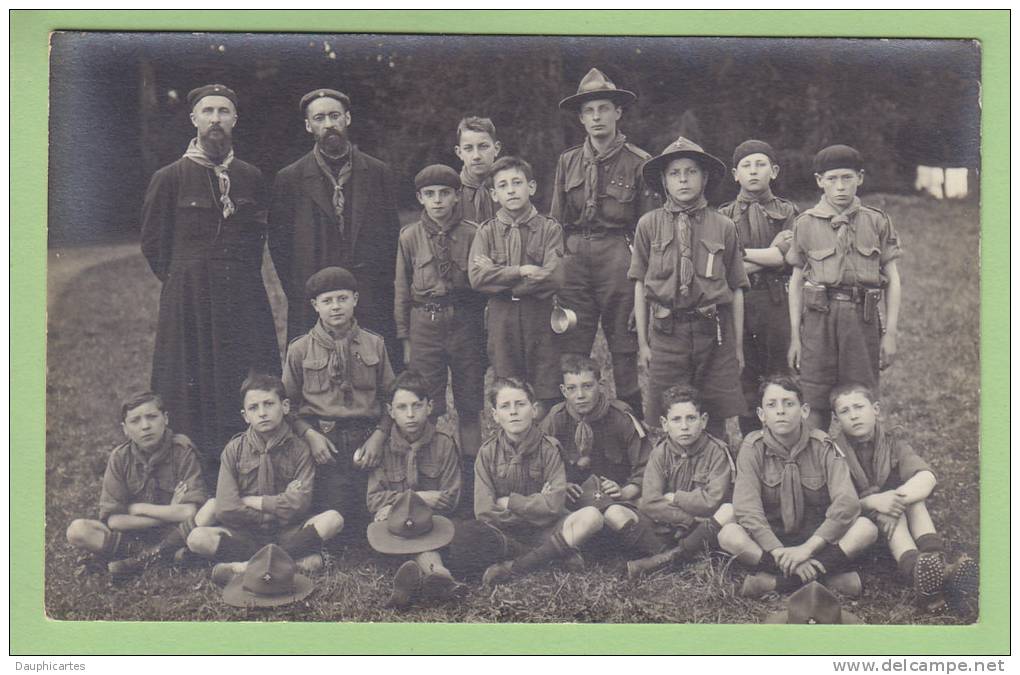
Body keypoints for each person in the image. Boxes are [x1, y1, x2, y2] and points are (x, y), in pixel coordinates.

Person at [140, 84, 280, 474]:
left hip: (242, 296)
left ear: (235, 119)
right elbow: (153, 243)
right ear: (194, 120)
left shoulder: (250, 177)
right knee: (189, 380)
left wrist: (235, 276)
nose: (215, 119)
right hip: (189, 298)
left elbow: (257, 238)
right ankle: (191, 468)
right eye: (208, 111)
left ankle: (248, 464)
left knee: (244, 373)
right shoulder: (169, 178)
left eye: (223, 111)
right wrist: (185, 279)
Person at [550, 68, 659, 418]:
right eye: (589, 111)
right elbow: (554, 223)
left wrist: (644, 287)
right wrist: (555, 272)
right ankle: (576, 426)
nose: (597, 117)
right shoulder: (567, 162)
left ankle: (631, 427)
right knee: (573, 345)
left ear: (618, 112)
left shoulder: (640, 163)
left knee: (624, 346)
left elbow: (650, 231)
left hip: (618, 257)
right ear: (581, 118)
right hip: (575, 257)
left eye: (604, 108)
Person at [268, 88, 402, 367]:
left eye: (334, 116)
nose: (328, 124)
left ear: (347, 119)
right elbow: (280, 245)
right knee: (315, 373)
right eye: (319, 118)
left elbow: (392, 236)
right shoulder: (289, 179)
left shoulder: (378, 173)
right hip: (313, 297)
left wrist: (379, 285)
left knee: (374, 369)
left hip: (370, 295)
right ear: (308, 125)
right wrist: (301, 290)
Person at [629, 136, 748, 450]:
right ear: (664, 182)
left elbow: (736, 288)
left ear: (705, 178)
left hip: (714, 333)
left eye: (691, 171)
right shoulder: (648, 225)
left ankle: (719, 475)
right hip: (667, 333)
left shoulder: (723, 226)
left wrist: (736, 345)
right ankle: (670, 477)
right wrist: (643, 343)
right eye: (674, 173)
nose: (683, 179)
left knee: (715, 413)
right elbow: (640, 286)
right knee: (668, 413)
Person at [718, 374, 877, 599]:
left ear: (804, 411)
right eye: (772, 405)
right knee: (729, 534)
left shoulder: (823, 445)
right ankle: (821, 577)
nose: (780, 411)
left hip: (818, 539)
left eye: (789, 403)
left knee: (866, 528)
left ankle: (775, 583)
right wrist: (777, 551)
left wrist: (808, 549)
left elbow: (847, 502)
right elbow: (746, 508)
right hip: (772, 541)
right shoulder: (752, 448)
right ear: (762, 415)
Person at [829, 383, 978, 614]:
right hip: (859, 529)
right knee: (894, 514)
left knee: (914, 501)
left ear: (875, 409)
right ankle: (922, 578)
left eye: (859, 407)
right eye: (845, 411)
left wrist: (893, 501)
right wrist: (875, 503)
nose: (854, 415)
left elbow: (927, 477)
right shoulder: (832, 453)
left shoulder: (892, 441)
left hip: (893, 521)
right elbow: (836, 505)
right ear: (836, 420)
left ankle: (934, 566)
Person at [185, 373, 344, 583]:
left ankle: (244, 568)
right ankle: (291, 565)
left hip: (288, 532)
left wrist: (254, 502)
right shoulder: (233, 450)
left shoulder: (300, 449)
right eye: (253, 408)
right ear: (245, 416)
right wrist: (270, 513)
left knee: (333, 519)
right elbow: (226, 507)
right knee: (196, 538)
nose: (262, 413)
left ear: (285, 406)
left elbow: (300, 503)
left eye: (268, 404)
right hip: (247, 534)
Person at [786, 144, 903, 429]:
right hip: (818, 321)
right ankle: (817, 468)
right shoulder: (805, 224)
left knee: (861, 398)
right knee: (815, 399)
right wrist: (795, 337)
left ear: (860, 178)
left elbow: (893, 278)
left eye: (847, 178)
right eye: (832, 179)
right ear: (819, 181)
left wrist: (890, 333)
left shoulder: (876, 221)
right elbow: (796, 282)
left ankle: (864, 466)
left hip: (860, 321)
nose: (840, 186)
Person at [445, 377, 602, 586]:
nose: (513, 412)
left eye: (520, 404)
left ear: (534, 409)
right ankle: (551, 555)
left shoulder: (549, 448)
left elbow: (554, 505)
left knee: (593, 517)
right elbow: (484, 510)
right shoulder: (487, 452)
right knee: (464, 536)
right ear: (495, 415)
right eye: (505, 406)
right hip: (507, 535)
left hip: (547, 530)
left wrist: (509, 502)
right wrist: (536, 505)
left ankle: (515, 567)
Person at [282, 266, 395, 529]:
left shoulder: (374, 344)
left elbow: (392, 398)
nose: (336, 307)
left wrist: (379, 436)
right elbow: (287, 405)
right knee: (337, 513)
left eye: (342, 299)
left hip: (367, 441)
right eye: (327, 301)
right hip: (324, 444)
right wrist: (309, 436)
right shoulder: (299, 349)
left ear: (355, 299)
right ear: (315, 305)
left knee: (373, 513)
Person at [394, 164, 486, 486]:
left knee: (469, 402)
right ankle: (431, 472)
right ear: (419, 198)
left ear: (457, 195)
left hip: (465, 323)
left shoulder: (475, 234)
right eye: (429, 195)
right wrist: (405, 338)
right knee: (427, 402)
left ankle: (472, 475)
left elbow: (483, 288)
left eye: (445, 193)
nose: (437, 201)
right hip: (425, 324)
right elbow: (402, 289)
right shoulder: (409, 237)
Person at [66, 392, 207, 579]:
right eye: (135, 421)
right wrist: (169, 512)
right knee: (77, 530)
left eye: (152, 417)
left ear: (165, 419)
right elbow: (114, 521)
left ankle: (141, 560)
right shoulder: (119, 458)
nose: (145, 426)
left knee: (207, 518)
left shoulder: (182, 451)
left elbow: (189, 512)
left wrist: (139, 508)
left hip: (176, 534)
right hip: (133, 538)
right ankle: (160, 556)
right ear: (125, 429)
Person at [468, 157, 565, 417]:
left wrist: (497, 278)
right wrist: (520, 271)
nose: (511, 190)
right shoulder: (486, 232)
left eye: (517, 182)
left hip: (540, 316)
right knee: (507, 385)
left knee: (546, 387)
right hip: (502, 319)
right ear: (494, 194)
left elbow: (553, 278)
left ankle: (547, 446)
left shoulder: (549, 228)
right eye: (503, 185)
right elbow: (477, 279)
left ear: (531, 187)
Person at [718, 140, 799, 432]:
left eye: (760, 164)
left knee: (780, 372)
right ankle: (752, 443)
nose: (753, 172)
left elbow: (788, 256)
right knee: (746, 377)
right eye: (746, 166)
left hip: (776, 302)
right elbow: (721, 266)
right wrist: (770, 255)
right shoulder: (723, 216)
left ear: (774, 171)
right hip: (738, 303)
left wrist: (738, 255)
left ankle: (783, 438)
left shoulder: (788, 211)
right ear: (735, 174)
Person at [540, 354, 651, 560]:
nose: (580, 395)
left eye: (587, 386)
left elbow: (647, 466)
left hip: (617, 500)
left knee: (635, 509)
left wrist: (626, 491)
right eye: (572, 388)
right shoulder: (555, 420)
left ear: (601, 385)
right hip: (573, 502)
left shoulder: (621, 417)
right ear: (563, 391)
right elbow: (538, 465)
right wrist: (559, 485)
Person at [366, 371, 462, 607]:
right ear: (390, 411)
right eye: (402, 407)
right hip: (394, 531)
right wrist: (419, 498)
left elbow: (450, 499)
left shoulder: (444, 443)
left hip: (433, 526)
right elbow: (374, 500)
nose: (410, 415)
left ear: (430, 407)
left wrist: (394, 505)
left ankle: (417, 582)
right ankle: (438, 576)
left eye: (417, 406)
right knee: (384, 538)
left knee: (460, 538)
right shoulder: (382, 447)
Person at [624, 385, 736, 578]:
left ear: (703, 420)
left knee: (729, 512)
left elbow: (712, 501)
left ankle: (669, 559)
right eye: (676, 419)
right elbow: (650, 501)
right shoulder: (660, 453)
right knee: (632, 508)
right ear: (664, 423)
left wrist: (675, 497)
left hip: (708, 527)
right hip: (674, 526)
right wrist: (687, 520)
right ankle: (688, 557)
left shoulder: (717, 451)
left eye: (691, 418)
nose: (684, 426)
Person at [453, 116, 501, 225]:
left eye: (483, 147)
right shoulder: (451, 193)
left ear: (496, 148)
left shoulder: (509, 189)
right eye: (468, 148)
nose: (476, 156)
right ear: (459, 152)